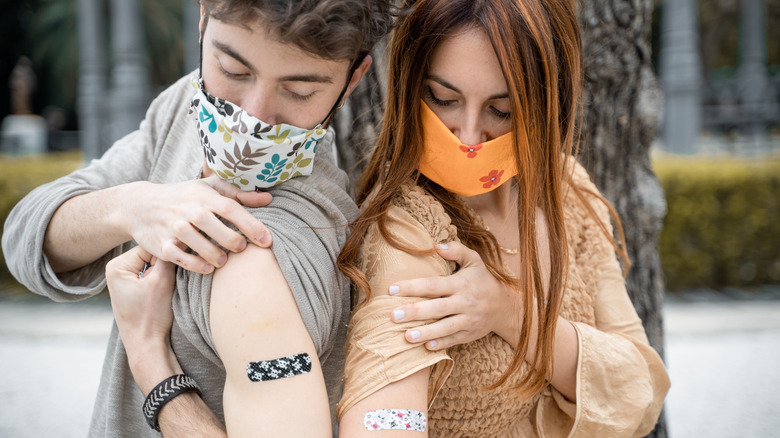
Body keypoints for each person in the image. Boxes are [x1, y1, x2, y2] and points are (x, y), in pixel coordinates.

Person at [1, 0, 394, 436]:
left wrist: (152, 363)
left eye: (299, 90)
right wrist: (133, 207)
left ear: (353, 78)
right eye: (233, 69)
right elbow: (23, 238)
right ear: (203, 18)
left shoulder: (277, 243)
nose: (252, 117)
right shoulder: (186, 107)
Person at [334, 0, 671, 436]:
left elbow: (640, 391)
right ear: (410, 86)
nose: (469, 136)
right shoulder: (406, 227)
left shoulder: (568, 190)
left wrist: (509, 313)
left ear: (546, 102)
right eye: (444, 99)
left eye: (502, 110)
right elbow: (384, 410)